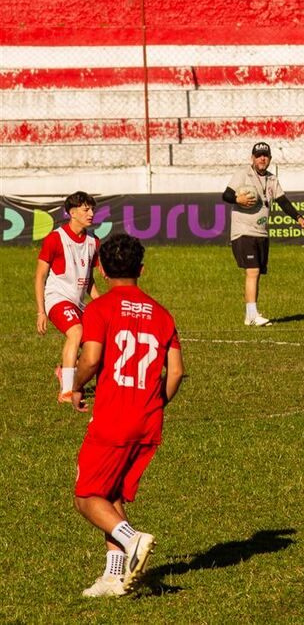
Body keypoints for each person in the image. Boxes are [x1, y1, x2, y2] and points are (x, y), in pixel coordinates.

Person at [69, 234, 184, 597]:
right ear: (142, 270)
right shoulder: (162, 313)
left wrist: (72, 382)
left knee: (86, 496)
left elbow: (90, 358)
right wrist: (155, 403)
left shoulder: (100, 309)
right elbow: (177, 372)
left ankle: (132, 539)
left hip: (113, 417)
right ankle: (113, 576)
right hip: (148, 419)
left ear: (101, 270)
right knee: (111, 492)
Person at [222, 141, 304, 326]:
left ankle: (250, 315)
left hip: (261, 232)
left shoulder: (272, 179)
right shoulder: (242, 174)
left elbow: (283, 201)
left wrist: (298, 217)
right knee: (252, 271)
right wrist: (238, 198)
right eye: (259, 155)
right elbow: (226, 195)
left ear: (269, 159)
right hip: (243, 231)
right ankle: (252, 315)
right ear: (252, 158)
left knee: (256, 273)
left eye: (265, 156)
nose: (262, 158)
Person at [35, 191, 101, 402]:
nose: (91, 213)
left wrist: (101, 305)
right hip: (57, 299)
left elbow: (89, 280)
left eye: (92, 209)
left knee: (97, 343)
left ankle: (68, 371)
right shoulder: (55, 238)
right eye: (86, 209)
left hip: (78, 303)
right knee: (76, 332)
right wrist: (41, 311)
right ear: (72, 213)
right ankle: (66, 392)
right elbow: (39, 277)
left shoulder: (93, 241)